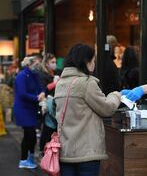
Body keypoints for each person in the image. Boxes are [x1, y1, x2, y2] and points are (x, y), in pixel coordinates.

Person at [54, 44, 121, 175]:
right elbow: (107, 108)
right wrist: (115, 95)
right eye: (93, 60)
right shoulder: (86, 83)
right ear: (86, 61)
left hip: (66, 150)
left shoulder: (60, 83)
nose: (94, 64)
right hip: (86, 152)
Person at [13, 56, 45, 169]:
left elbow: (41, 88)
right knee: (30, 134)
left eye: (39, 64)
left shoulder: (35, 75)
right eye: (36, 64)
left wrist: (42, 93)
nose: (38, 67)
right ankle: (23, 159)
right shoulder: (21, 76)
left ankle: (29, 158)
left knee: (30, 136)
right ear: (29, 65)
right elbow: (22, 94)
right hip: (23, 109)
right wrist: (37, 98)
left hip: (31, 108)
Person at [36, 53, 59, 155]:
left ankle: (50, 148)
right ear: (46, 63)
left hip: (54, 104)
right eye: (52, 62)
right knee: (47, 127)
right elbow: (42, 91)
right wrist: (54, 84)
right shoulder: (42, 75)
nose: (55, 64)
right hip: (46, 105)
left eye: (55, 62)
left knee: (52, 127)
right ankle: (43, 149)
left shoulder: (55, 73)